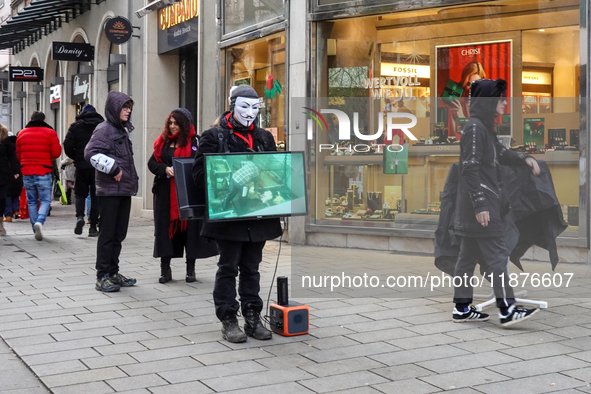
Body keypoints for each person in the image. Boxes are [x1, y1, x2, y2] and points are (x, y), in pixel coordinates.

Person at [193, 85, 282, 343]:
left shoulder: (265, 138)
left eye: (255, 108)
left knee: (252, 268)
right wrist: (230, 175)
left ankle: (253, 317)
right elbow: (199, 176)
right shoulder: (213, 136)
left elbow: (274, 171)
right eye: (244, 106)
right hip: (229, 218)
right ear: (232, 105)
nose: (250, 113)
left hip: (257, 214)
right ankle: (228, 319)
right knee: (228, 266)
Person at [452, 78, 541, 327]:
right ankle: (507, 309)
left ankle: (461, 308)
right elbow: (469, 168)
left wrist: (524, 158)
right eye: (501, 99)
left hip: (474, 207)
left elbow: (501, 154)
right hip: (480, 206)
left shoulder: (483, 128)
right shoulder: (475, 128)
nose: (505, 103)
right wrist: (481, 205)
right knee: (498, 255)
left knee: (467, 258)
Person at [148, 108, 218, 284]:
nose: (172, 126)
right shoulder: (162, 142)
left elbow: (204, 163)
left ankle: (190, 269)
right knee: (165, 231)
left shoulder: (197, 141)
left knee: (191, 231)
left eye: (176, 123)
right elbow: (152, 163)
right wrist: (164, 169)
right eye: (170, 123)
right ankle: (165, 269)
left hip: (189, 193)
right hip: (166, 194)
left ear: (185, 124)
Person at [85, 92, 138, 292]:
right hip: (109, 191)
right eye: (125, 107)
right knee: (107, 234)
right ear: (115, 109)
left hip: (123, 189)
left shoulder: (121, 130)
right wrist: (113, 168)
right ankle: (102, 275)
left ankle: (113, 272)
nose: (128, 110)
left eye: (129, 107)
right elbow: (90, 153)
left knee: (119, 234)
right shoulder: (104, 129)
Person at [16, 111, 61, 241]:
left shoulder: (22, 133)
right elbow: (56, 153)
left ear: (30, 119)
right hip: (44, 170)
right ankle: (40, 221)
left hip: (27, 171)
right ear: (44, 120)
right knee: (46, 200)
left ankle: (33, 226)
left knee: (32, 201)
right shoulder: (50, 133)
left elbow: (19, 155)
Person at [63, 104, 104, 236]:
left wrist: (76, 158)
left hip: (82, 166)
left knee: (80, 193)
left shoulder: (76, 126)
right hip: (97, 166)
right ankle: (93, 226)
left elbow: (68, 145)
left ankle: (80, 216)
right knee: (95, 195)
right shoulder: (102, 126)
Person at [444, 61, 486, 137]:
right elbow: (455, 137)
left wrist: (462, 118)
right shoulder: (460, 103)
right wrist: (452, 115)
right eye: (469, 84)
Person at [0, 125, 20, 235]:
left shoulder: (4, 135)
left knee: (2, 198)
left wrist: (15, 171)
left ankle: (0, 222)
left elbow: (11, 155)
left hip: (3, 173)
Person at [3, 133, 22, 222]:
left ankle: (8, 215)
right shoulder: (19, 150)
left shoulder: (6, 150)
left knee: (7, 196)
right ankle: (16, 211)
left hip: (7, 175)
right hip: (18, 175)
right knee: (15, 195)